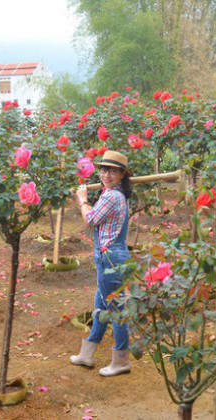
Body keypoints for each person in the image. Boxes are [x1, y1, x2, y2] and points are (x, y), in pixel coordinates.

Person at [70, 150, 133, 377]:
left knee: (116, 310)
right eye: (104, 169)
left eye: (113, 171)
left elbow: (91, 219)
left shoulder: (111, 197)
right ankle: (87, 353)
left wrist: (83, 200)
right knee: (101, 308)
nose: (106, 174)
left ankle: (121, 360)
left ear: (122, 175)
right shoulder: (115, 194)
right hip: (111, 257)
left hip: (110, 259)